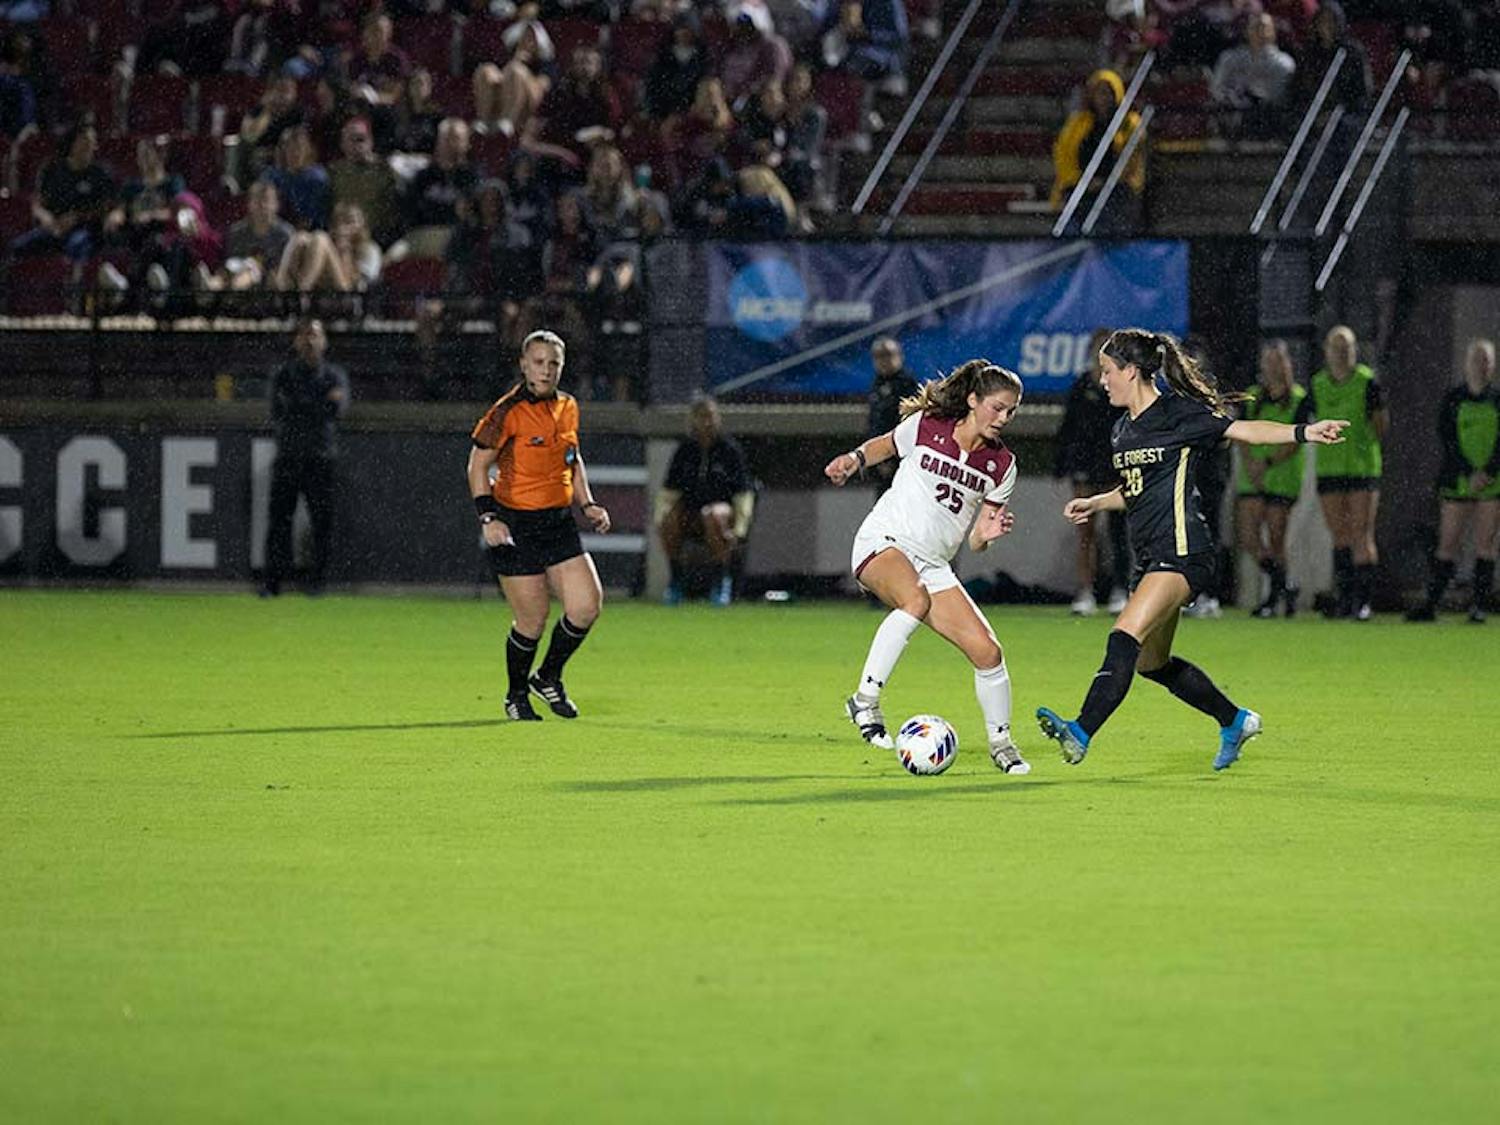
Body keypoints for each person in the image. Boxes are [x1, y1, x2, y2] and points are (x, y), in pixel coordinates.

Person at [1034, 329, 1349, 771]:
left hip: (1184, 551)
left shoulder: (1178, 413)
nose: (1102, 380)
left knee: (1123, 634)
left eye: (1108, 371)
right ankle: (1234, 720)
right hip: (1149, 558)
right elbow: (1137, 490)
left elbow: (1247, 431)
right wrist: (1097, 501)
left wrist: (1304, 431)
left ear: (1131, 371)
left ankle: (1081, 729)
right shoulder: (1123, 430)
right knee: (1150, 662)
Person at [823, 360, 1030, 775]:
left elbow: (976, 539)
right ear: (973, 400)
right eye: (997, 407)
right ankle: (864, 701)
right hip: (884, 541)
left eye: (1011, 411)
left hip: (933, 565)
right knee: (913, 600)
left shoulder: (1001, 465)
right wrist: (852, 459)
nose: (1003, 418)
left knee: (988, 652)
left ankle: (1001, 743)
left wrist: (988, 536)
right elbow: (883, 446)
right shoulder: (927, 425)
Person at [467, 330, 612, 722]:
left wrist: (588, 503)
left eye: (553, 363)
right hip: (516, 524)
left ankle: (547, 676)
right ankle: (516, 695)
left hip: (558, 522)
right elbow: (477, 466)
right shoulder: (507, 411)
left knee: (586, 606)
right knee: (532, 619)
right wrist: (489, 518)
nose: (546, 370)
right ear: (523, 364)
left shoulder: (568, 406)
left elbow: (572, 458)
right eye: (538, 362)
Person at [1406, 338, 1500, 623]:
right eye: (1475, 359)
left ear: (1492, 365)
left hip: (1492, 482)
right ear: (1466, 363)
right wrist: (1468, 472)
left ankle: (1479, 605)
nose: (1480, 366)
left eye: (1485, 360)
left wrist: (1488, 472)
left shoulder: (1498, 400)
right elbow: (1448, 440)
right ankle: (1432, 603)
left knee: (1486, 544)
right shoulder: (1453, 399)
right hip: (1457, 480)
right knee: (1448, 543)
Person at [1302, 325, 1387, 620]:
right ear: (1326, 350)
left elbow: (1379, 424)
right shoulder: (1318, 384)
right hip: (1330, 468)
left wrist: (1361, 444)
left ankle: (1364, 602)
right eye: (1336, 347)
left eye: (1347, 347)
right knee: (1339, 535)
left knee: (1361, 533)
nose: (1341, 353)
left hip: (1362, 468)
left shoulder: (1367, 382)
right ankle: (1346, 598)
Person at [261, 318, 350, 597]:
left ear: (324, 341)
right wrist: (319, 402)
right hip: (289, 456)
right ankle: (273, 582)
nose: (310, 340)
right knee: (279, 522)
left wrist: (301, 403)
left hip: (320, 459)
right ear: (296, 341)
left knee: (322, 522)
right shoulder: (284, 374)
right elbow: (279, 410)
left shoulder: (334, 376)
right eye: (305, 335)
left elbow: (336, 410)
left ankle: (318, 583)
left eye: (315, 335)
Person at [1054, 327, 1129, 616]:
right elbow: (1068, 429)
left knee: (1119, 532)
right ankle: (1085, 591)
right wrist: (1062, 465)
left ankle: (1120, 590)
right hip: (1085, 468)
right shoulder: (1081, 386)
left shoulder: (1121, 388)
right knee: (1085, 532)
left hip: (1114, 469)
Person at [657, 396, 755, 607]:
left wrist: (739, 529)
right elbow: (669, 492)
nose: (707, 422)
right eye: (701, 417)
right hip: (690, 514)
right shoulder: (685, 450)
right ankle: (676, 580)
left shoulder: (730, 450)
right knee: (670, 518)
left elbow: (743, 494)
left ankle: (722, 581)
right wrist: (661, 518)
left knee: (712, 514)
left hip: (720, 514)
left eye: (710, 416)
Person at [1235, 340, 1307, 617]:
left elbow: (1296, 439)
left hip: (1281, 475)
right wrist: (1252, 464)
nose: (1273, 367)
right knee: (1250, 537)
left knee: (1277, 537)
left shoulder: (1299, 398)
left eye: (1278, 361)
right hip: (1252, 476)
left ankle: (1273, 595)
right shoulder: (1252, 397)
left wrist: (1267, 462)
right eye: (1268, 362)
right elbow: (1240, 433)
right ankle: (1284, 585)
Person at [1049, 68, 1144, 234]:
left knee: (1110, 217)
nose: (1103, 98)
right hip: (1081, 187)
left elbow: (1131, 160)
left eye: (1108, 92)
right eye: (1099, 93)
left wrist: (1105, 182)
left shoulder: (1128, 123)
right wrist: (1081, 181)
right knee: (1073, 220)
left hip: (1116, 190)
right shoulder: (1077, 123)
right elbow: (1063, 157)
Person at [865, 337, 919, 495]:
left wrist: (892, 457)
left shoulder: (907, 385)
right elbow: (875, 423)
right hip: (880, 460)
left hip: (901, 459)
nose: (883, 361)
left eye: (888, 355)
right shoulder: (877, 384)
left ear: (899, 356)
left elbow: (909, 425)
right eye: (878, 356)